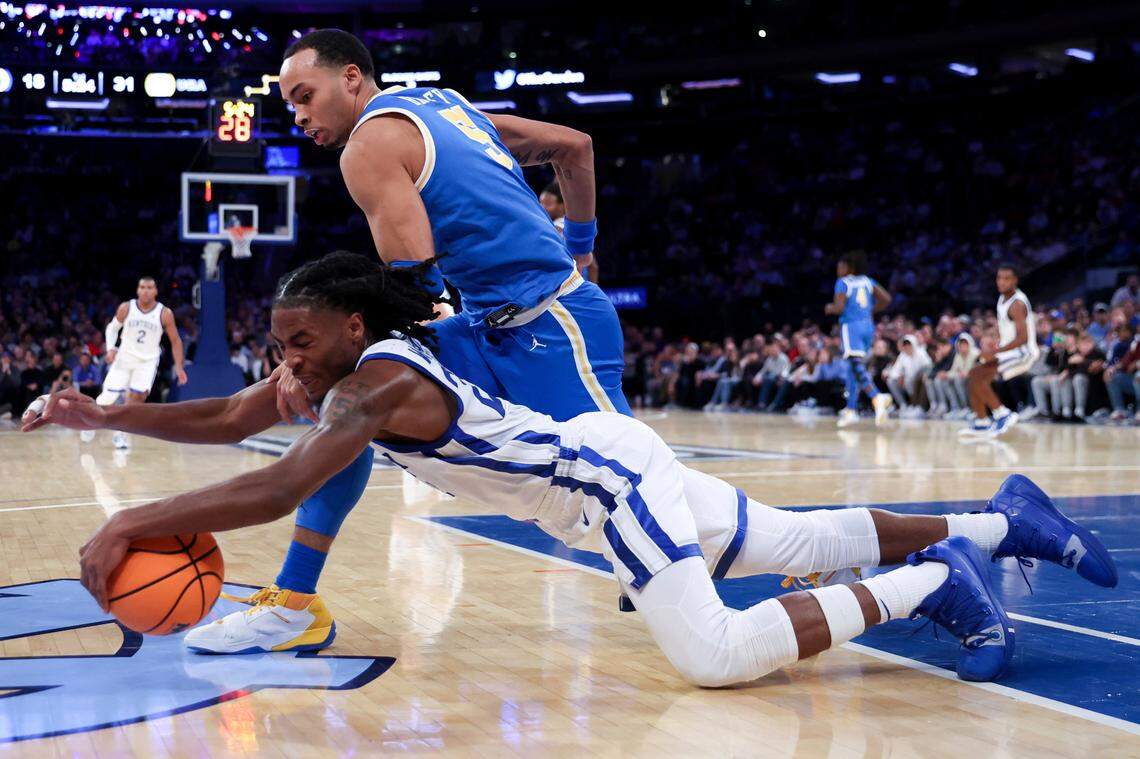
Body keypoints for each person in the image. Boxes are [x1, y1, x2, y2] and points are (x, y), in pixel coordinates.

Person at [24, 252, 1118, 686]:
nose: (286, 361)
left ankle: (936, 582)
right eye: (284, 344)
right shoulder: (349, 371)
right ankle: (998, 519)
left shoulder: (377, 385)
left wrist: (129, 525)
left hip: (603, 488)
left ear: (353, 327)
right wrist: (95, 412)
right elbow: (227, 416)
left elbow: (272, 488)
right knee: (793, 542)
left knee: (718, 657)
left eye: (301, 342)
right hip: (599, 472)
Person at [248, 29, 645, 644]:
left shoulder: (367, 147)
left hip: (554, 323)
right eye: (289, 104)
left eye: (305, 95)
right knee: (353, 403)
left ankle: (813, 551)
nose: (298, 115)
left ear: (351, 77)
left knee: (649, 497)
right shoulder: (450, 106)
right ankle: (295, 598)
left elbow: (415, 280)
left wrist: (316, 346)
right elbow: (575, 147)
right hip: (489, 324)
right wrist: (583, 246)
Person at [88, 277, 188, 449]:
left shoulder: (165, 313)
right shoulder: (126, 307)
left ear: (156, 291)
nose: (146, 291)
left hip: (147, 362)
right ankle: (89, 422)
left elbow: (176, 341)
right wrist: (111, 348)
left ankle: (121, 434)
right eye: (142, 287)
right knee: (108, 397)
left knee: (135, 401)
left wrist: (179, 366)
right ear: (138, 290)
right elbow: (112, 328)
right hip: (124, 358)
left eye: (150, 287)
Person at [960, 265, 1039, 438]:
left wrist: (996, 351)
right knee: (974, 374)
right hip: (1009, 350)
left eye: (1006, 278)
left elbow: (1023, 338)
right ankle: (982, 421)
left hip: (1023, 352)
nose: (1001, 282)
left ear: (1015, 280)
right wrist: (996, 341)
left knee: (979, 376)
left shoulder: (1017, 303)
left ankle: (1003, 413)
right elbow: (1007, 329)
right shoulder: (1003, 299)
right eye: (999, 278)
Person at [824, 252, 893, 428]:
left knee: (854, 363)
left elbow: (839, 308)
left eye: (841, 266)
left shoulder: (843, 283)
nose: (838, 270)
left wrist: (829, 308)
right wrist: (870, 310)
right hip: (867, 326)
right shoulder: (867, 281)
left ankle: (876, 396)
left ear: (849, 267)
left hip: (851, 326)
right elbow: (886, 299)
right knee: (851, 366)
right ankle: (851, 409)